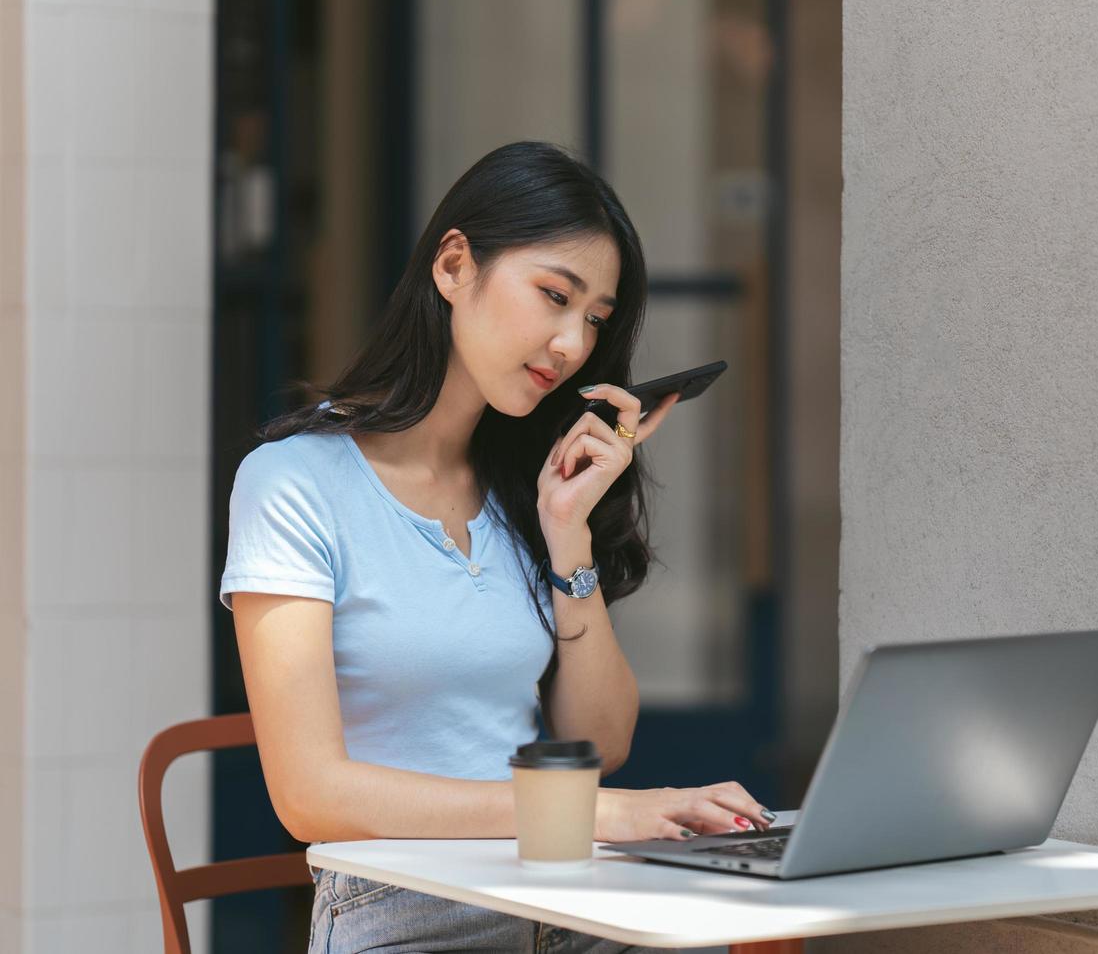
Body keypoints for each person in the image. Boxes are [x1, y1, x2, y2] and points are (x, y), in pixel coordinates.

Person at [221, 141, 775, 953]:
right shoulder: (294, 484)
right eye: (554, 295)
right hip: (408, 912)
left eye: (594, 319)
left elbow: (601, 742)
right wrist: (599, 813)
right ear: (453, 266)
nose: (573, 344)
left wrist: (566, 534)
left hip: (568, 897)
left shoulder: (524, 490)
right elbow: (309, 794)